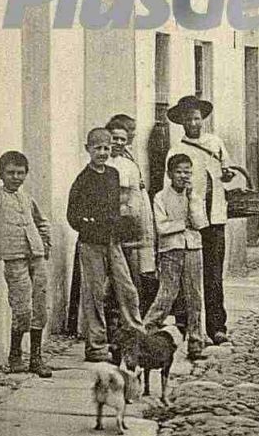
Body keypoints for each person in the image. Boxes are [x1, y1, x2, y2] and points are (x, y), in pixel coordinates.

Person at [165, 96, 245, 346]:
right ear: (181, 122)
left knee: (213, 274)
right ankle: (187, 327)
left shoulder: (215, 143)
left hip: (215, 217)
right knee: (185, 275)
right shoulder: (177, 150)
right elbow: (168, 188)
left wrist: (228, 174)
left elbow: (226, 172)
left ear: (203, 119)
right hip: (188, 221)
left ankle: (217, 327)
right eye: (188, 118)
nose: (193, 122)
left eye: (197, 118)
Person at [67, 128, 145, 362]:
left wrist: (119, 227)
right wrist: (89, 225)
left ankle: (137, 337)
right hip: (91, 244)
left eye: (106, 148)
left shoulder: (112, 174)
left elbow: (116, 208)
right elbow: (72, 216)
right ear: (87, 149)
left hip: (113, 242)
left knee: (127, 288)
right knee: (95, 295)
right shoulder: (82, 180)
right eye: (97, 148)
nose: (102, 152)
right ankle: (96, 346)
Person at [0, 151, 52, 377]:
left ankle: (36, 357)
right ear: (1, 174)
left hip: (37, 256)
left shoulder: (27, 198)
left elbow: (42, 222)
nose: (16, 177)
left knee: (40, 306)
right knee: (22, 307)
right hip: (14, 258)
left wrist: (45, 244)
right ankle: (15, 355)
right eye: (10, 173)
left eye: (20, 173)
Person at [144, 153, 206, 359]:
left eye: (187, 172)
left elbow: (199, 223)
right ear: (170, 174)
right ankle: (148, 331)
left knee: (194, 296)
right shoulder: (160, 197)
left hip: (193, 249)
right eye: (178, 172)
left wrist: (190, 199)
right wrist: (181, 225)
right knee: (167, 293)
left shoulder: (195, 196)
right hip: (171, 250)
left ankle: (196, 341)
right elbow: (161, 227)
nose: (183, 176)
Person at [106, 116, 156, 314]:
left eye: (123, 139)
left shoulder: (129, 162)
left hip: (132, 226)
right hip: (113, 225)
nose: (118, 143)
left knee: (132, 276)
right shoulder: (104, 162)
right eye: (114, 138)